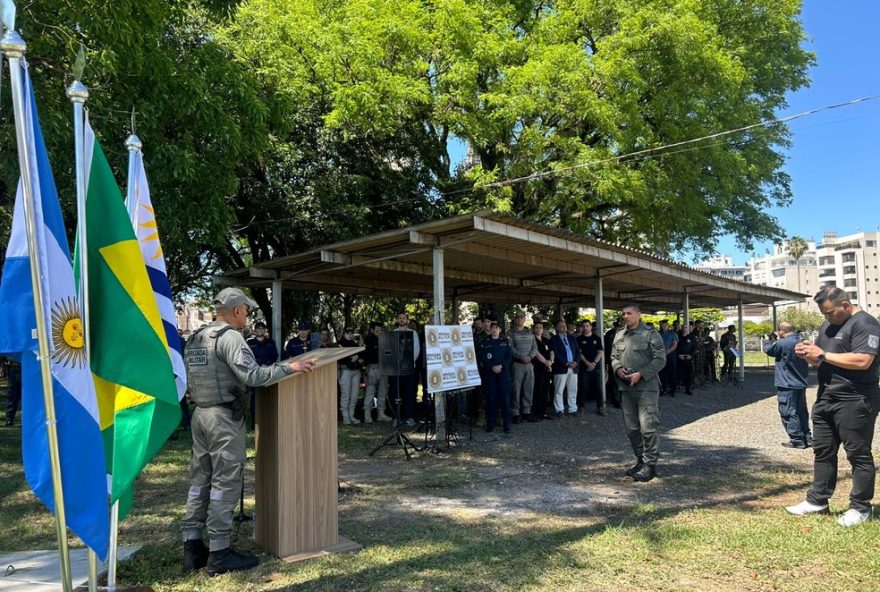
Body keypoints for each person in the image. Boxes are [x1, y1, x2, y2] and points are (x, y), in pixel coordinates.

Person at [181, 287, 316, 575]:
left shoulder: (196, 337)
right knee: (225, 481)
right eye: (247, 310)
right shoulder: (230, 337)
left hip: (200, 415)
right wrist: (290, 367)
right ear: (238, 310)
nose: (248, 315)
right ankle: (219, 552)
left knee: (199, 480)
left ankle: (192, 547)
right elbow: (252, 375)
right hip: (223, 418)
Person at [787, 287, 880, 527]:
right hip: (826, 397)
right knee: (823, 451)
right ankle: (818, 500)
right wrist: (807, 354)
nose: (827, 317)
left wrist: (823, 355)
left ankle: (860, 507)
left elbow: (863, 360)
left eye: (830, 312)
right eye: (824, 313)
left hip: (855, 399)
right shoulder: (828, 326)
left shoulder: (865, 324)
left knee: (858, 455)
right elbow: (820, 358)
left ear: (846, 305)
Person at [610, 304, 666, 482]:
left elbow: (660, 359)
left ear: (638, 315)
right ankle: (640, 460)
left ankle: (650, 465)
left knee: (648, 427)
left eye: (629, 313)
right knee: (631, 428)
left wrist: (641, 374)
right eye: (623, 313)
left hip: (646, 387)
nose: (625, 316)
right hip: (626, 388)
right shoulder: (619, 334)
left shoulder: (650, 334)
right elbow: (613, 357)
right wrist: (618, 369)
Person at [763, 321, 811, 449]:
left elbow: (768, 350)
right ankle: (807, 437)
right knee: (801, 411)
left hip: (787, 383)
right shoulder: (801, 341)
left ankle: (797, 440)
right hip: (800, 382)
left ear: (781, 331)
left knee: (788, 411)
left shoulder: (782, 343)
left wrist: (769, 340)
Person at [478, 321, 512, 433]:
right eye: (492, 328)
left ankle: (507, 425)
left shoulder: (505, 341)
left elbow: (509, 357)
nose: (494, 330)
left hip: (503, 374)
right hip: (490, 375)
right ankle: (490, 424)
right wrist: (492, 367)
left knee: (505, 400)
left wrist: (501, 366)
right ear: (490, 329)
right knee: (491, 400)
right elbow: (483, 358)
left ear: (500, 330)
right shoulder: (485, 342)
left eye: (496, 328)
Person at [245, 321, 279, 424]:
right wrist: (259, 364)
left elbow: (274, 355)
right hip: (254, 373)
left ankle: (268, 421)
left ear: (265, 330)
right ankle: (255, 422)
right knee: (255, 398)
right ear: (254, 331)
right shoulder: (250, 343)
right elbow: (247, 357)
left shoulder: (270, 342)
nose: (260, 331)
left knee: (268, 396)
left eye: (262, 329)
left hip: (268, 372)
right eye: (258, 329)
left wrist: (266, 364)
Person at [508, 311, 538, 423]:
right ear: (515, 319)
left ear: (525, 319)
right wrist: (521, 357)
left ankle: (526, 412)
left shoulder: (529, 333)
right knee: (515, 389)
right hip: (517, 365)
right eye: (518, 318)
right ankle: (515, 413)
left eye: (522, 317)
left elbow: (535, 348)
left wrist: (530, 356)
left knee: (529, 388)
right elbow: (510, 348)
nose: (520, 319)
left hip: (529, 365)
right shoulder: (510, 333)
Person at [549, 319, 579, 417]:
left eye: (565, 325)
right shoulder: (553, 340)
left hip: (573, 367)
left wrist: (576, 362)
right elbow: (555, 354)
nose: (564, 327)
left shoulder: (572, 338)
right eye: (561, 326)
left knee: (573, 389)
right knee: (559, 390)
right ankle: (559, 410)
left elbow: (578, 352)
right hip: (561, 368)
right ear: (557, 328)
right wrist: (566, 363)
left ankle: (572, 409)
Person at [363, 322, 391, 422]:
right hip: (372, 368)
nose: (379, 332)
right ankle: (367, 415)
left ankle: (381, 414)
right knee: (370, 392)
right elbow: (365, 356)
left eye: (380, 330)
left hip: (383, 368)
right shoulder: (367, 341)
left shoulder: (384, 340)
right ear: (372, 330)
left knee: (383, 392)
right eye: (376, 331)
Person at [576, 320, 605, 415]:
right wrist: (588, 363)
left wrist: (594, 363)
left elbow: (600, 351)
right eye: (584, 326)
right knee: (583, 387)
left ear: (591, 326)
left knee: (598, 388)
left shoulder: (597, 338)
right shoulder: (579, 339)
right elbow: (579, 353)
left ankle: (600, 407)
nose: (585, 328)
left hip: (596, 367)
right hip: (584, 367)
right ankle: (581, 408)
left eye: (587, 326)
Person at [338, 327, 364, 425]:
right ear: (344, 334)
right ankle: (345, 417)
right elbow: (340, 359)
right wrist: (352, 359)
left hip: (356, 372)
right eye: (347, 333)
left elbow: (362, 356)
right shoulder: (340, 345)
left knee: (354, 395)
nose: (350, 335)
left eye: (351, 333)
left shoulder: (355, 344)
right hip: (345, 372)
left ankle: (351, 415)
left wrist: (357, 358)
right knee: (346, 395)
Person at [531, 320, 554, 421]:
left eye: (540, 327)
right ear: (533, 328)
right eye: (537, 327)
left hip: (547, 368)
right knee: (537, 390)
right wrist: (546, 362)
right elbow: (535, 352)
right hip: (537, 368)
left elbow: (552, 351)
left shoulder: (546, 339)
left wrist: (551, 361)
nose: (539, 329)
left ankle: (544, 412)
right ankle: (536, 413)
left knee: (545, 390)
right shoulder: (532, 339)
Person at [658, 320, 678, 396]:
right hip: (661, 355)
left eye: (664, 325)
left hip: (671, 355)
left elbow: (675, 344)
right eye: (661, 325)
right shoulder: (658, 333)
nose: (663, 326)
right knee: (662, 373)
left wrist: (668, 351)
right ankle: (663, 389)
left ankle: (673, 390)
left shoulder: (672, 333)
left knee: (672, 372)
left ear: (667, 325)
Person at [676, 324, 697, 395]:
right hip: (680, 358)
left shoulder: (692, 337)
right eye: (683, 328)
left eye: (686, 328)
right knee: (679, 373)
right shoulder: (678, 336)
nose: (685, 329)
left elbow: (694, 347)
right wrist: (678, 355)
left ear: (688, 328)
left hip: (688, 358)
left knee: (689, 374)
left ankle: (688, 389)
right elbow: (676, 347)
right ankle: (675, 388)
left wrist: (691, 355)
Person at [3, 357, 21, 427]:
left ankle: (31, 418)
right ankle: (9, 418)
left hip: (27, 364)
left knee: (28, 395)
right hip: (13, 366)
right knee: (12, 394)